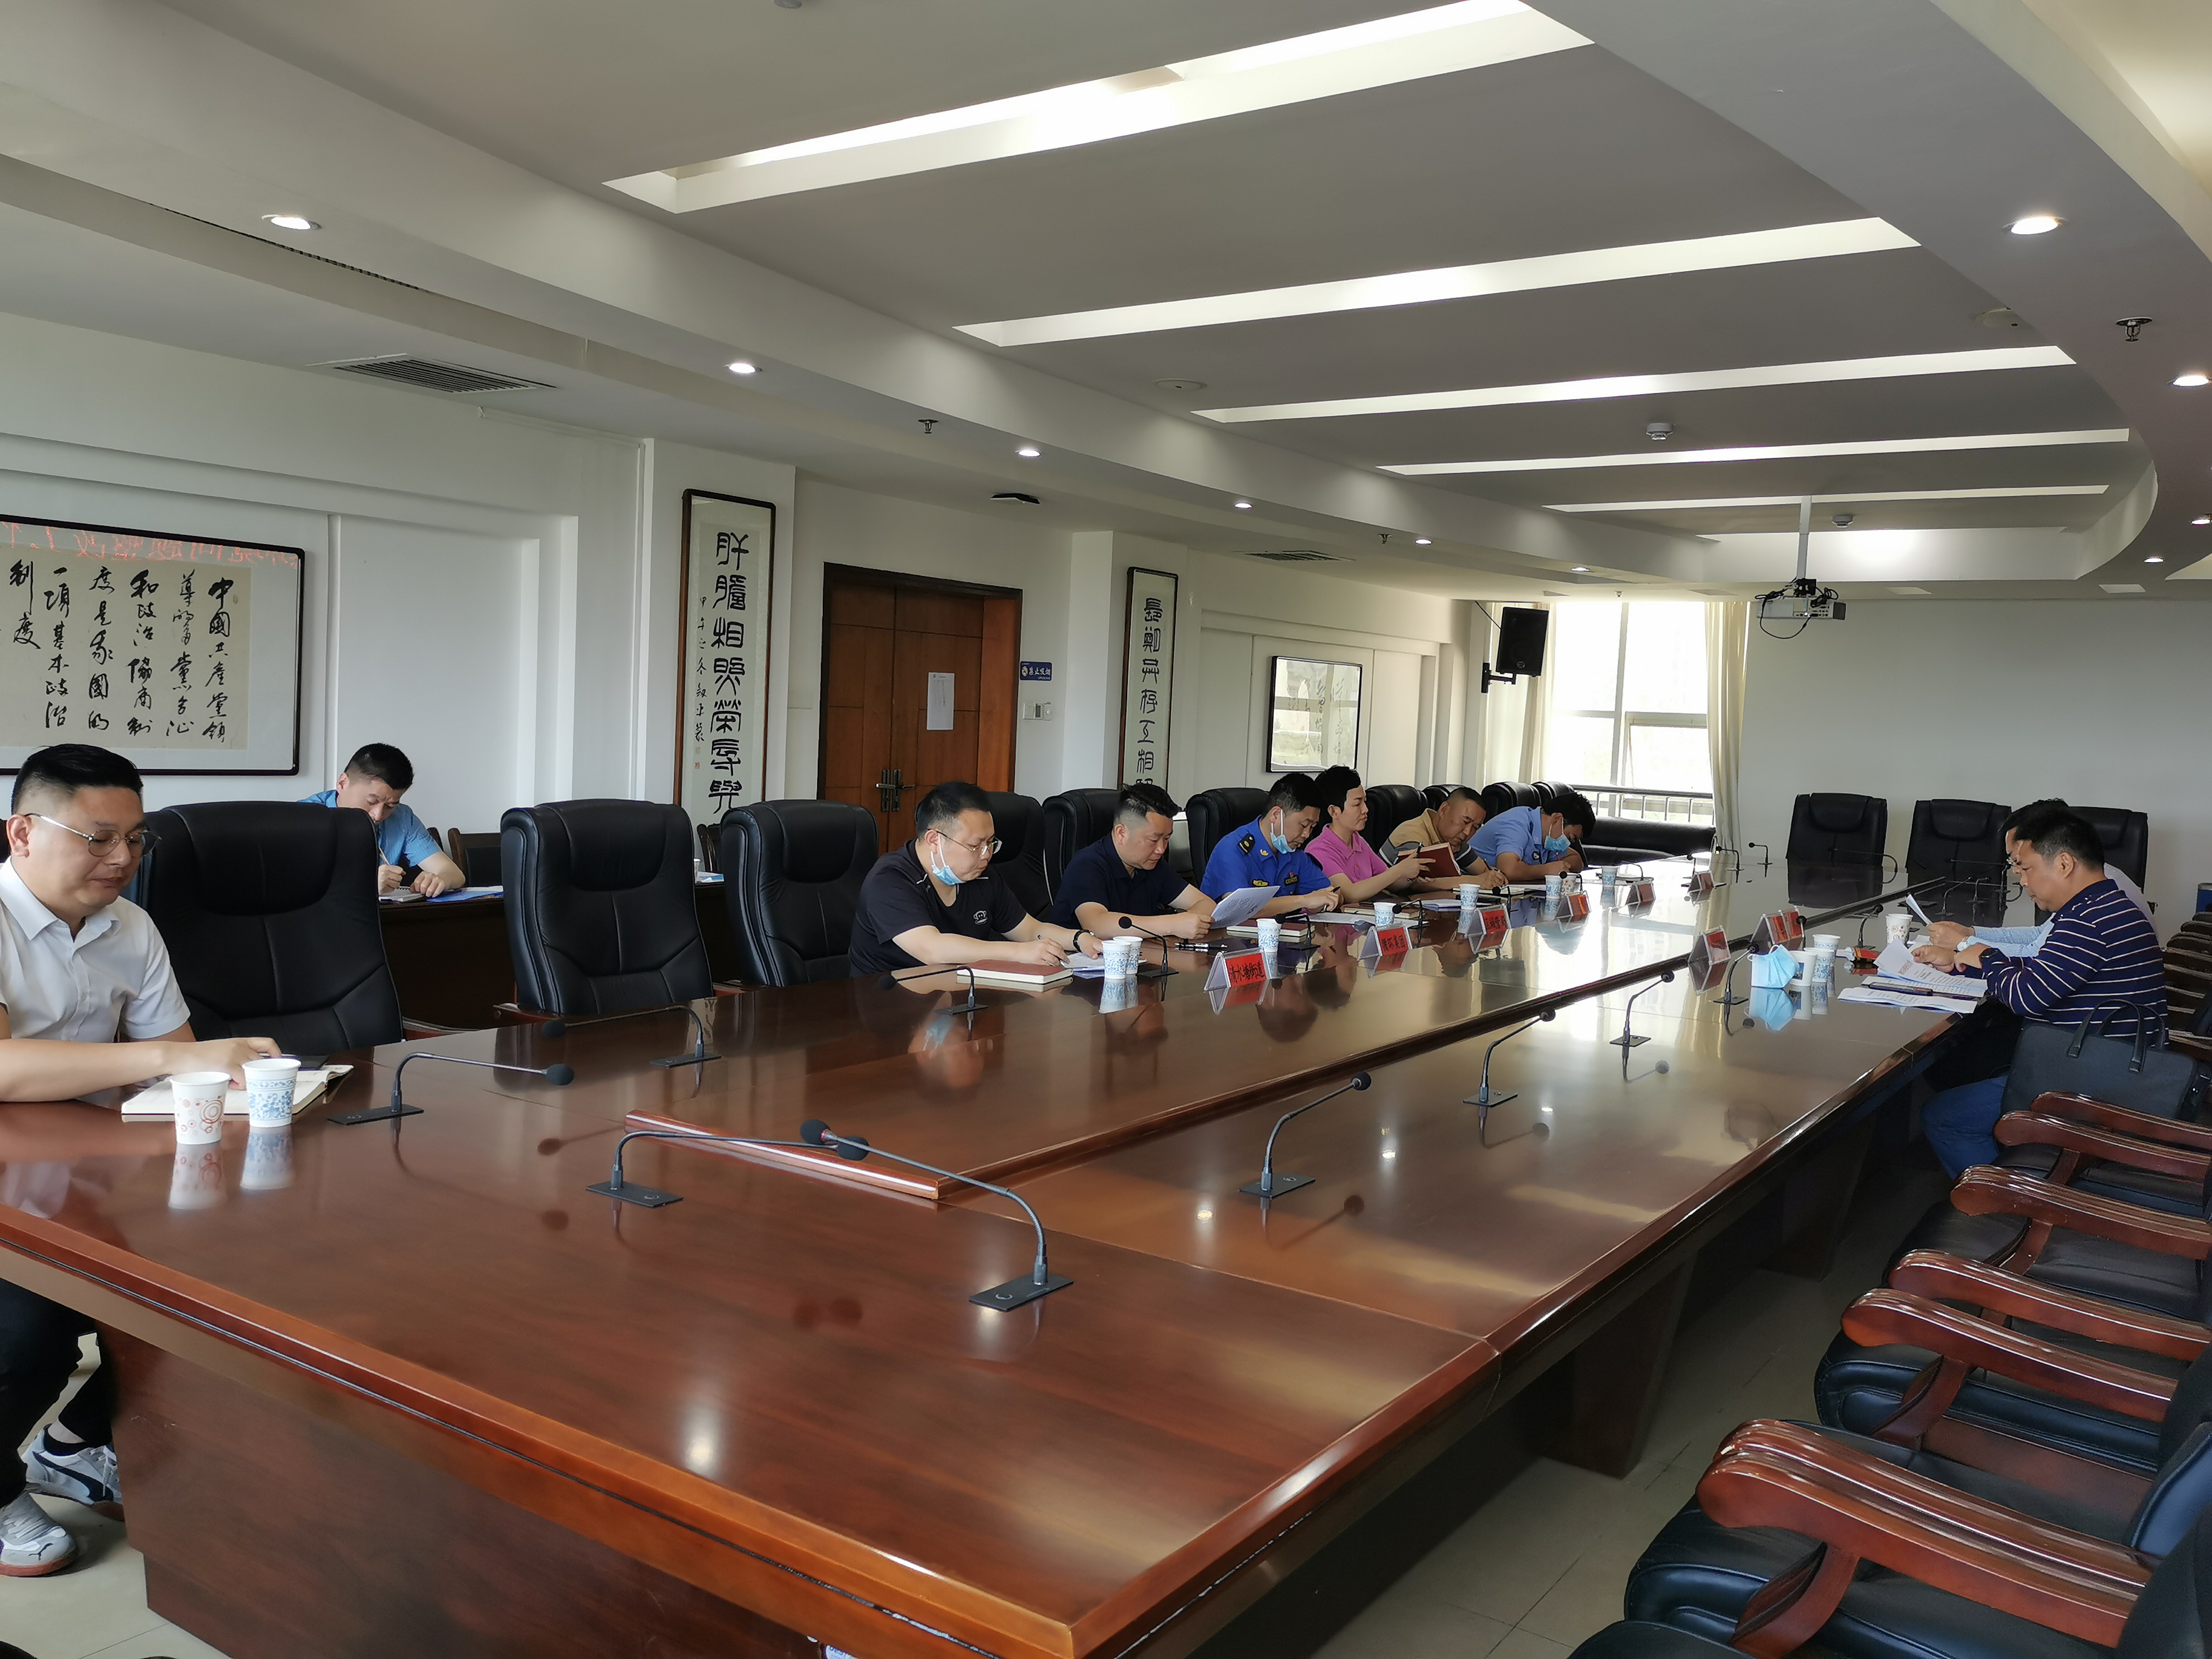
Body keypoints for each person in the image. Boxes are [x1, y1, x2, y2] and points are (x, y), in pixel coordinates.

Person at [0, 744, 281, 1575]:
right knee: (31, 1335)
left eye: (134, 838)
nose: (121, 857)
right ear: (22, 832)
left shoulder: (132, 926)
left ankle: (71, 1443)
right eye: (96, 837)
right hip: (9, 1189)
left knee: (234, 1277)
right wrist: (171, 1059)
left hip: (94, 1173)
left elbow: (179, 1066)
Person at [1917, 808, 2167, 1176]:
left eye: (2026, 868)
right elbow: (2048, 972)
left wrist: (1985, 956)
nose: (2022, 881)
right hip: (2117, 1063)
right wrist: (1963, 961)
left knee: (1945, 1117)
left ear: (2064, 863)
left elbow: (2028, 997)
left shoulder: (2087, 921)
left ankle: (2007, 1200)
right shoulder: (2106, 906)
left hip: (2091, 1080)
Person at [849, 782, 1102, 976]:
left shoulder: (981, 875)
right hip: (889, 1003)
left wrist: (1079, 939)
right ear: (935, 840)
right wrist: (1018, 953)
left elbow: (1029, 930)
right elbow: (933, 949)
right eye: (975, 845)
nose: (986, 854)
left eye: (990, 843)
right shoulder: (890, 879)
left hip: (958, 994)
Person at [1915, 799, 2153, 967]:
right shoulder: (2096, 888)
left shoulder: (2096, 903)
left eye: (2020, 861)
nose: (2018, 872)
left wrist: (1964, 944)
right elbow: (2041, 936)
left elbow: (2034, 958)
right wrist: (1971, 933)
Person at [1048, 784, 1218, 940]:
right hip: (1080, 960)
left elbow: (1206, 904)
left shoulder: (1153, 865)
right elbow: (1096, 925)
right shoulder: (1086, 865)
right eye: (1154, 840)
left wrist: (1188, 923)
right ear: (1121, 834)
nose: (1161, 849)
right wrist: (1172, 925)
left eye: (1167, 839)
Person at [300, 744, 466, 898]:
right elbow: (294, 888)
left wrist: (439, 880)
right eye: (371, 801)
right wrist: (365, 884)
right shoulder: (303, 818)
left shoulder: (402, 818)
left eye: (390, 805)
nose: (378, 815)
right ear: (343, 783)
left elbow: (454, 874)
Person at [1197, 774, 1344, 919]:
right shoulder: (1233, 849)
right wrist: (1304, 900)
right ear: (1276, 815)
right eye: (1303, 825)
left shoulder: (1293, 852)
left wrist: (1324, 902)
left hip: (1285, 932)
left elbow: (1333, 893)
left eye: (1312, 827)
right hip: (1231, 934)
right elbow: (1240, 909)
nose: (1307, 834)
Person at [1305, 767, 1424, 905]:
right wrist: (1399, 870)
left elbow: (1390, 881)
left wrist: (1411, 873)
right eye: (1357, 804)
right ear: (1334, 812)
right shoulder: (1318, 851)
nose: (1366, 809)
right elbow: (1351, 894)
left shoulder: (1358, 841)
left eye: (1365, 802)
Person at [1385, 786, 1504, 892]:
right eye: (1465, 822)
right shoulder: (1413, 834)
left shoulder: (1454, 840)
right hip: (1389, 903)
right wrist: (1476, 881)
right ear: (1444, 810)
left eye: (1475, 827)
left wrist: (1495, 877)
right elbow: (1417, 884)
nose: (1468, 832)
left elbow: (1484, 871)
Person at [1469, 791, 1594, 883]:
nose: (1566, 843)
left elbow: (1577, 861)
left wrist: (1560, 866)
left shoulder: (1547, 837)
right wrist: (1546, 870)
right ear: (1557, 819)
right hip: (1471, 887)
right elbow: (1508, 870)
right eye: (1569, 837)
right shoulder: (1516, 824)